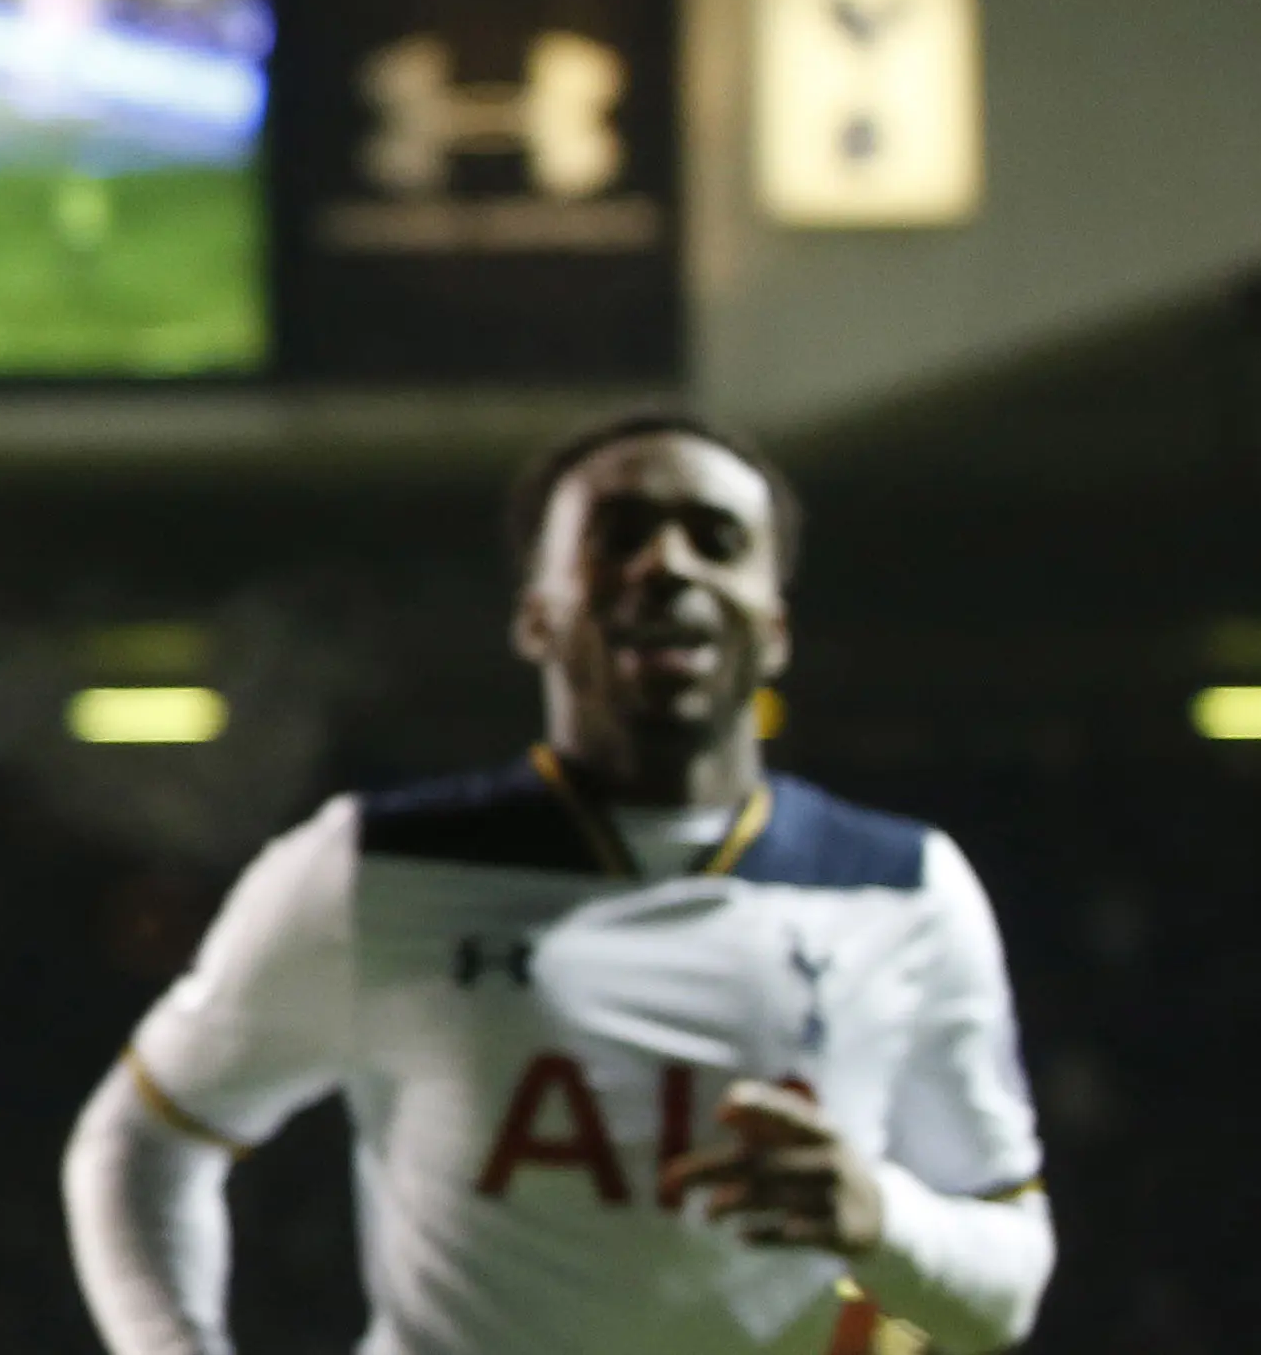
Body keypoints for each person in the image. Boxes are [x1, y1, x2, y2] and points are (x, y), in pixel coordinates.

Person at [62, 412, 1055, 1353]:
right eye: (618, 536)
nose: (666, 566)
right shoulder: (375, 869)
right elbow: (139, 1142)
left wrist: (882, 1219)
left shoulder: (907, 889)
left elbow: (1007, 1286)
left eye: (714, 539)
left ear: (776, 625)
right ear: (537, 617)